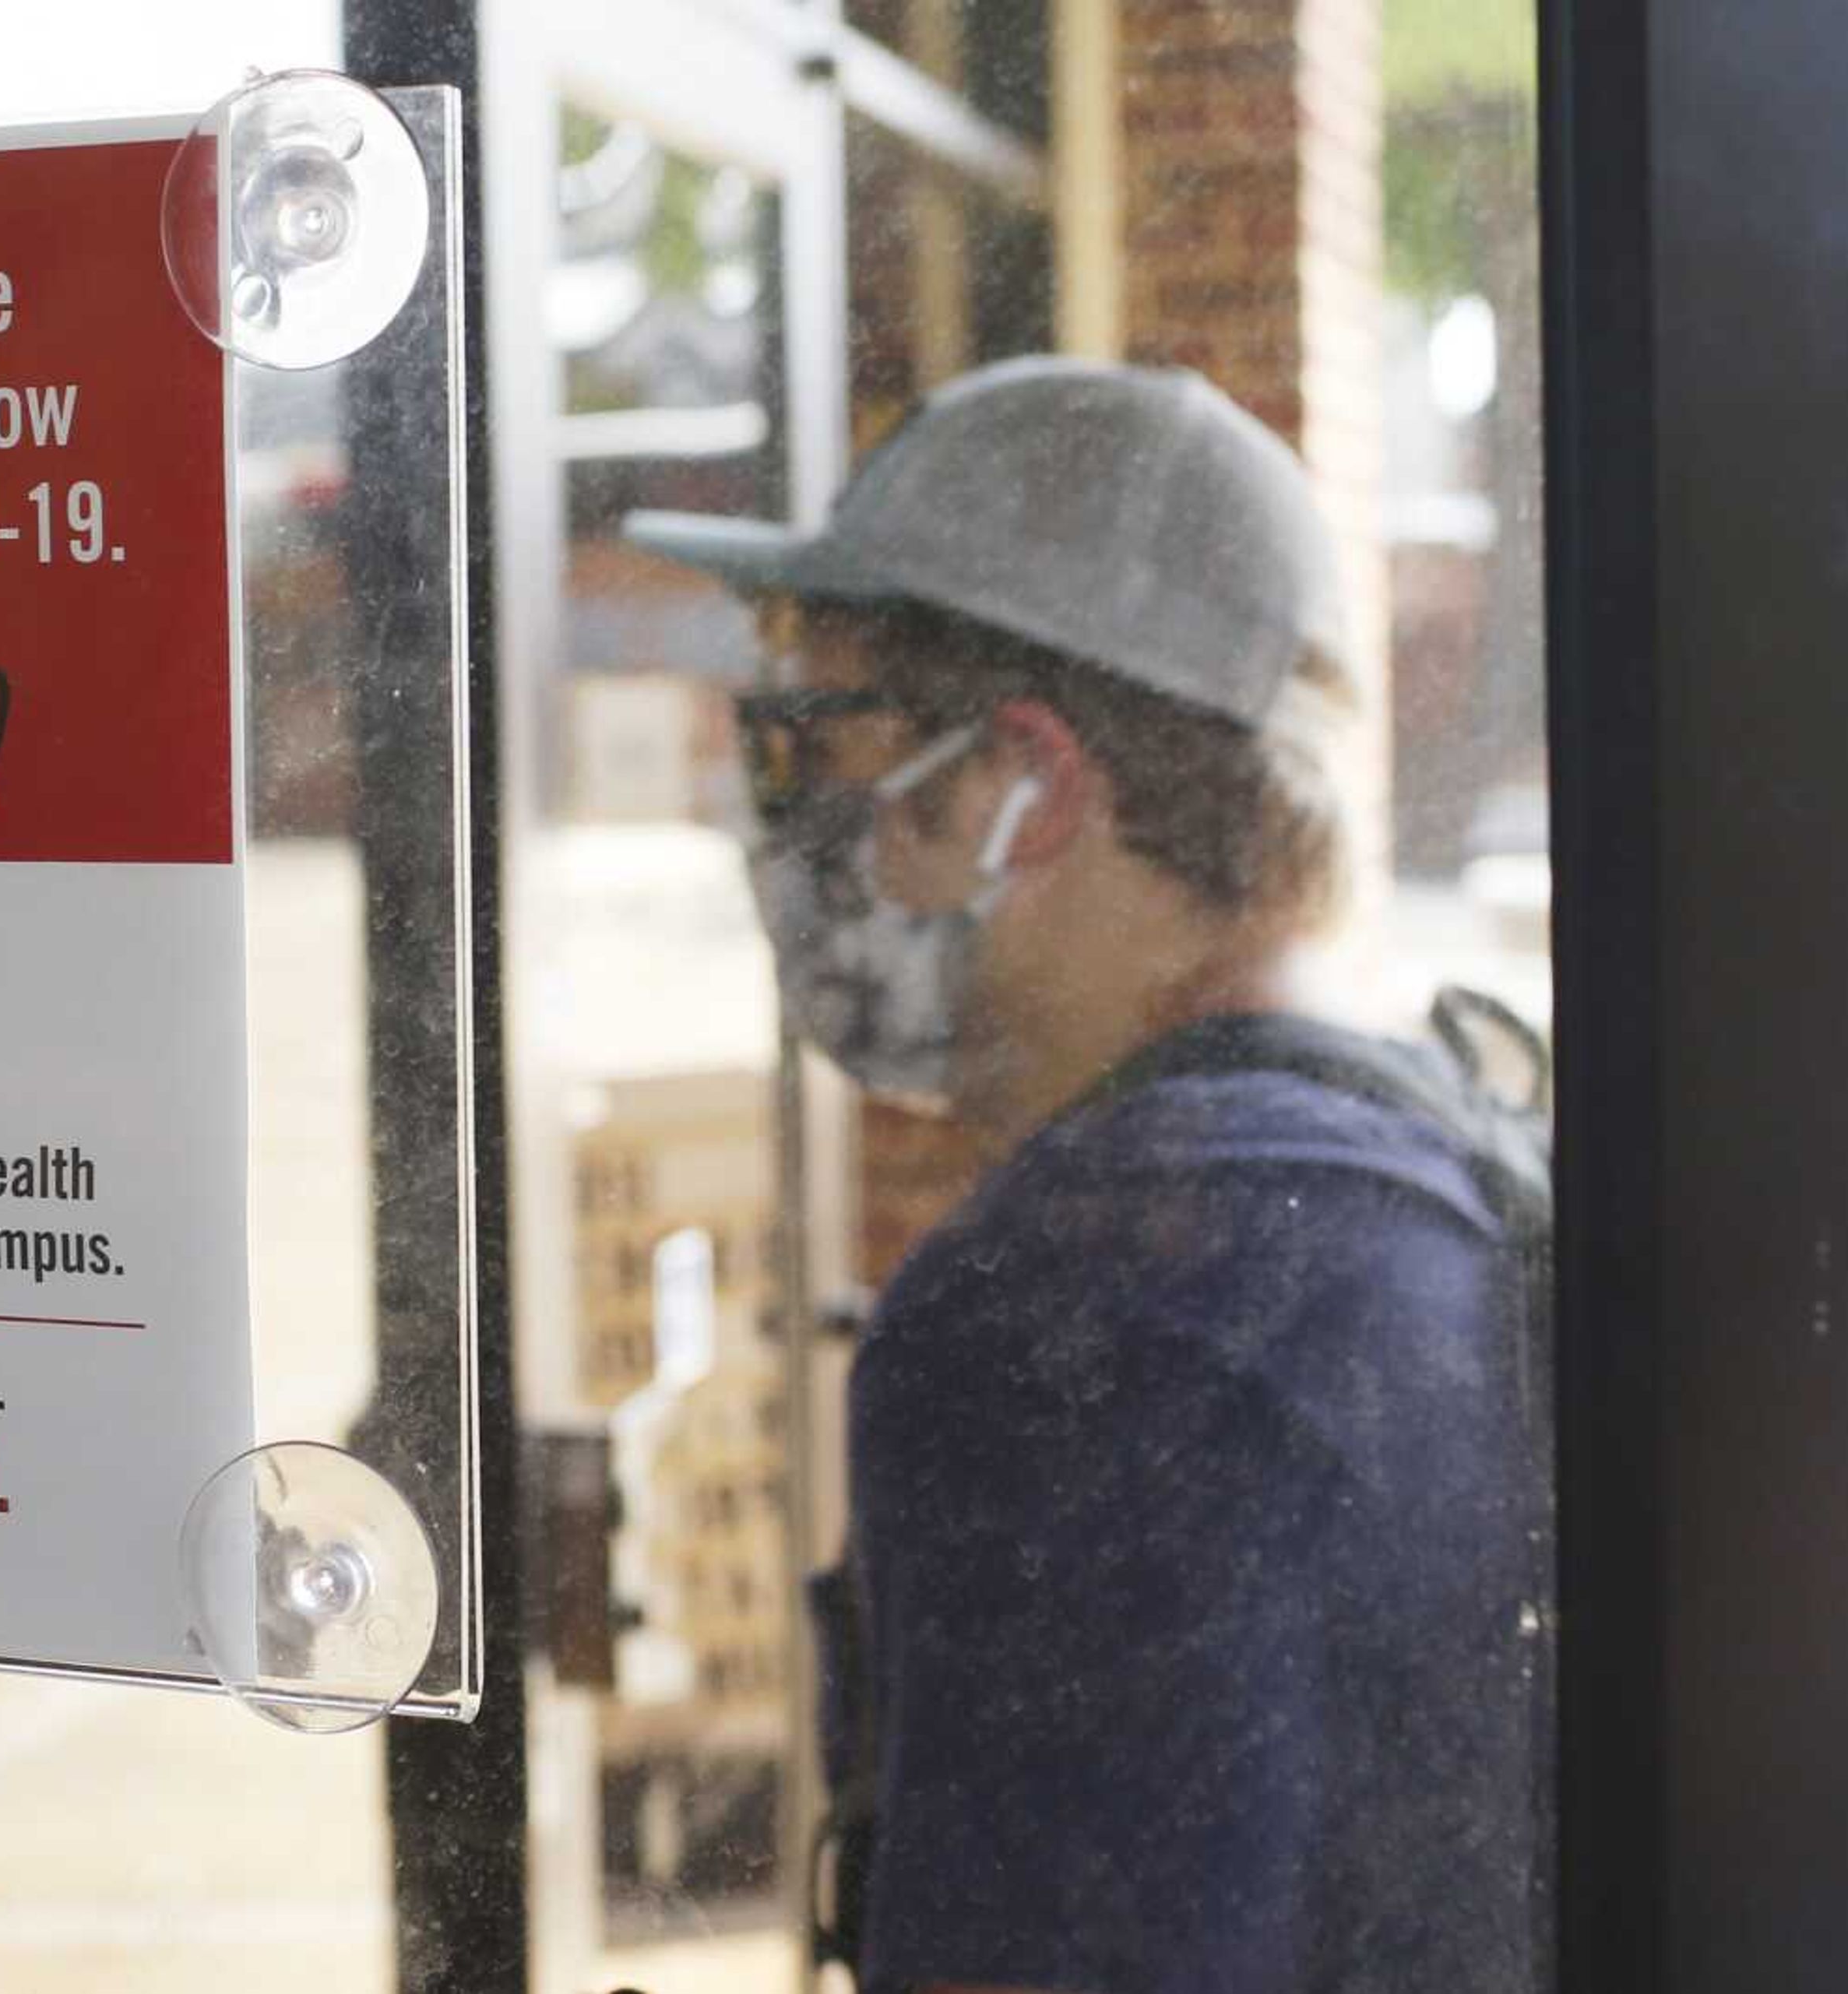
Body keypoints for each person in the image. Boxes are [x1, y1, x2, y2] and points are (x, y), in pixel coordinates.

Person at [627, 357, 1547, 1993]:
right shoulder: (1430, 1157)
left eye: (820, 748)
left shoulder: (1086, 1317)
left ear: (1024, 788)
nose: (790, 829)